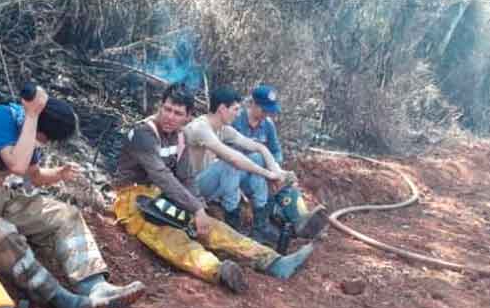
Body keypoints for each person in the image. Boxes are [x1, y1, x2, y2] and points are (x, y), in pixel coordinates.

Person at [0, 86, 144, 308]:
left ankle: (93, 285)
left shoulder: (29, 132)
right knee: (3, 234)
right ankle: (58, 297)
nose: (43, 143)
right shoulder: (1, 117)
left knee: (65, 215)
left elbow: (33, 176)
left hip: (0, 196)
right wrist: (32, 116)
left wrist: (58, 174)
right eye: (45, 139)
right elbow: (16, 165)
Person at [112, 83, 314, 293]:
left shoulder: (179, 136)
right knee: (169, 235)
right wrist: (197, 209)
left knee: (215, 228)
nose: (170, 116)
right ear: (160, 106)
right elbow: (162, 177)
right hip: (132, 198)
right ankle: (218, 271)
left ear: (187, 117)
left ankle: (273, 261)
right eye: (167, 109)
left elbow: (186, 177)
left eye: (178, 113)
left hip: (162, 195)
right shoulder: (144, 133)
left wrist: (199, 208)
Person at [179, 86, 288, 244]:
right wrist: (267, 174)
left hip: (210, 184)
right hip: (193, 188)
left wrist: (276, 171)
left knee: (257, 157)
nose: (238, 114)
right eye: (235, 109)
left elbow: (259, 147)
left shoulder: (222, 129)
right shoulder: (200, 127)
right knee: (228, 164)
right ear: (223, 109)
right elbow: (233, 159)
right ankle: (233, 221)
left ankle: (260, 224)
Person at [232, 85, 328, 239]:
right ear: (253, 105)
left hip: (264, 172)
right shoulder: (236, 120)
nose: (266, 114)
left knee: (286, 184)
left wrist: (275, 166)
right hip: (239, 172)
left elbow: (276, 151)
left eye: (268, 111)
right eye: (264, 110)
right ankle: (260, 228)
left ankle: (301, 221)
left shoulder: (268, 125)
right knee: (263, 175)